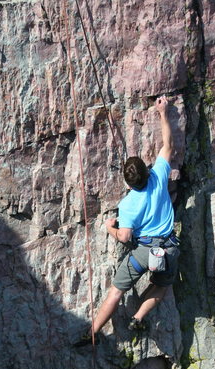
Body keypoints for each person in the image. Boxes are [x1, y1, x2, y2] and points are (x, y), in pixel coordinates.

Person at [76, 95, 180, 346]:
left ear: (128, 183)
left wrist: (110, 228)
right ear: (147, 169)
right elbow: (169, 145)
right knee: (161, 286)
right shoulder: (158, 175)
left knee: (115, 292)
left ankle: (92, 333)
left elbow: (125, 237)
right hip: (169, 248)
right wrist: (163, 112)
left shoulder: (128, 204)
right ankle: (138, 316)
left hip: (143, 252)